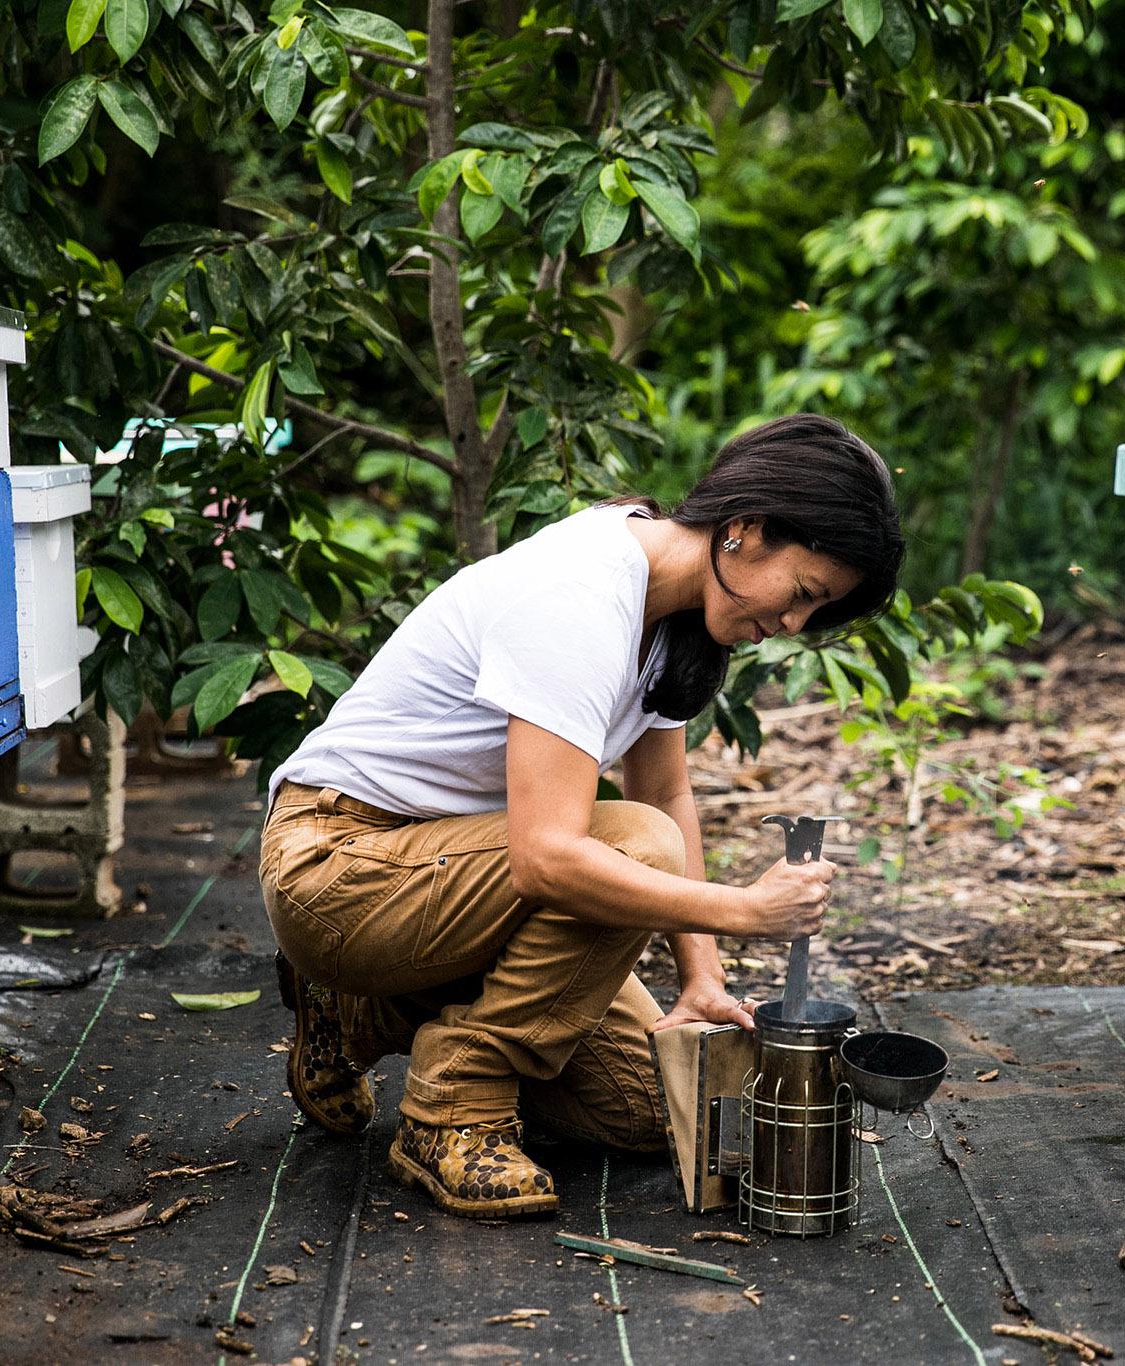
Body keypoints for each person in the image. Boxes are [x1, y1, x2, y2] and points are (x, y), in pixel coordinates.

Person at [259, 414, 905, 1218]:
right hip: (339, 866)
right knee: (634, 845)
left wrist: (703, 979)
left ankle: (357, 1012)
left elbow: (665, 792)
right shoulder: (580, 595)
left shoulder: (672, 617)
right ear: (746, 527)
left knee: (647, 1106)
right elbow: (547, 859)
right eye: (803, 594)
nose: (793, 626)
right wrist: (744, 910)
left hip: (449, 879)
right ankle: (453, 1104)